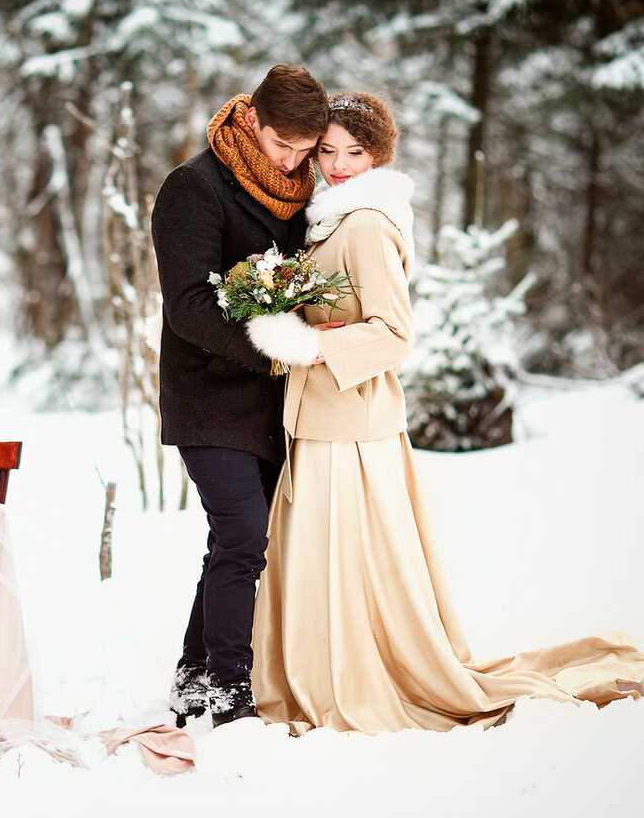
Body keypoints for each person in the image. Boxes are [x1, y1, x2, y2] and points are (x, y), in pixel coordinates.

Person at [246, 92, 644, 734]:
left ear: (379, 155)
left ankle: (349, 676)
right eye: (328, 152)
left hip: (351, 425)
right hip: (321, 417)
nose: (339, 165)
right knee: (326, 559)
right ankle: (319, 667)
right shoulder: (329, 221)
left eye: (355, 152)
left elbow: (395, 335)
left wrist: (308, 343)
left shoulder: (366, 223)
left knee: (344, 561)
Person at [151, 65, 330, 727]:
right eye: (283, 145)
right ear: (252, 118)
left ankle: (192, 677)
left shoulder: (303, 196)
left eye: (305, 152)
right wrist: (275, 348)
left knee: (230, 543)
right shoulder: (193, 187)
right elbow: (189, 307)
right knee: (243, 538)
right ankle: (230, 694)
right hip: (207, 397)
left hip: (273, 403)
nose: (292, 162)